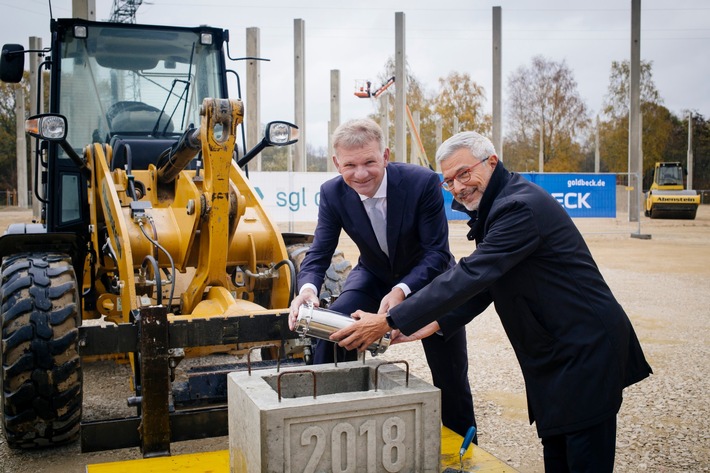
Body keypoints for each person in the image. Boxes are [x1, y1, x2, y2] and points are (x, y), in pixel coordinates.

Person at [332, 131, 653, 472]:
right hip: (557, 350)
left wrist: (390, 320)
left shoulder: (518, 207)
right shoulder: (500, 205)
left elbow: (471, 274)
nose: (458, 186)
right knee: (559, 449)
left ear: (492, 162)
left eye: (465, 173)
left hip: (585, 347)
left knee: (583, 457)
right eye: (449, 181)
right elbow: (487, 285)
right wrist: (433, 324)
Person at [288, 118, 475, 438]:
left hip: (429, 278)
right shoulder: (331, 193)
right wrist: (306, 288)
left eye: (369, 162)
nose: (360, 174)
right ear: (336, 163)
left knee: (450, 373)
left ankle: (464, 449)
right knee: (335, 330)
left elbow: (436, 253)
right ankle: (329, 427)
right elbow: (319, 252)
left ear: (385, 155)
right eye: (350, 165)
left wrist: (402, 291)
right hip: (374, 273)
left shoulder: (423, 182)